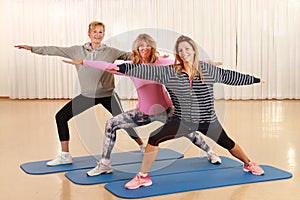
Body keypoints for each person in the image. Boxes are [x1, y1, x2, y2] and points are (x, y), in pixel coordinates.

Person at [106, 35, 265, 189]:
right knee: (154, 138)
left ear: (194, 50)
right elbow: (145, 70)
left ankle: (248, 163)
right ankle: (143, 177)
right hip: (182, 120)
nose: (184, 53)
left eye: (187, 49)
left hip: (207, 120)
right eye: (180, 50)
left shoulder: (207, 70)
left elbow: (230, 76)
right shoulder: (170, 72)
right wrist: (122, 67)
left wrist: (255, 80)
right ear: (177, 54)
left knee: (228, 143)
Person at [64, 33, 222, 176]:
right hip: (144, 112)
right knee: (111, 124)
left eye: (147, 45)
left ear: (152, 47)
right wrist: (83, 62)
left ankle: (210, 152)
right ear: (136, 48)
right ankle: (105, 164)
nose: (144, 48)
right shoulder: (131, 66)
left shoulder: (160, 62)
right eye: (141, 45)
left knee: (188, 131)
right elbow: (106, 66)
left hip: (166, 111)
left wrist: (209, 63)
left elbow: (184, 61)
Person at [14, 21, 143, 166]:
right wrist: (32, 48)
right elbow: (55, 50)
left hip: (108, 95)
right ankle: (65, 155)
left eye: (100, 32)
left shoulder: (111, 51)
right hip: (87, 95)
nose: (97, 35)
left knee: (124, 122)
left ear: (103, 35)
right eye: (95, 32)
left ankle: (142, 146)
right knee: (61, 117)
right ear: (89, 33)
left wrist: (153, 57)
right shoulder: (76, 50)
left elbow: (130, 56)